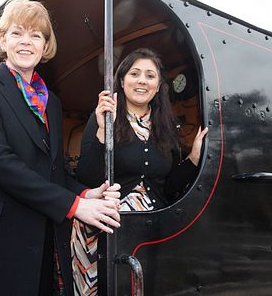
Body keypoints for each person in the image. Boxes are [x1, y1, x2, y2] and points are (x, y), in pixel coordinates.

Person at [0, 0, 121, 296]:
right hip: (2, 240)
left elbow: (52, 171)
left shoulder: (52, 103)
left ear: (46, 46)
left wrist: (85, 192)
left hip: (47, 239)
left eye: (36, 35)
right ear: (3, 39)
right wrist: (74, 206)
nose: (26, 42)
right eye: (17, 33)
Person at [72, 47, 208, 295]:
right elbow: (87, 178)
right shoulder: (103, 116)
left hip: (152, 226)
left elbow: (167, 186)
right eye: (135, 73)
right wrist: (103, 131)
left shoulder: (165, 126)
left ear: (158, 86)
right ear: (121, 81)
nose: (142, 81)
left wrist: (194, 157)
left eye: (150, 75)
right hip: (105, 226)